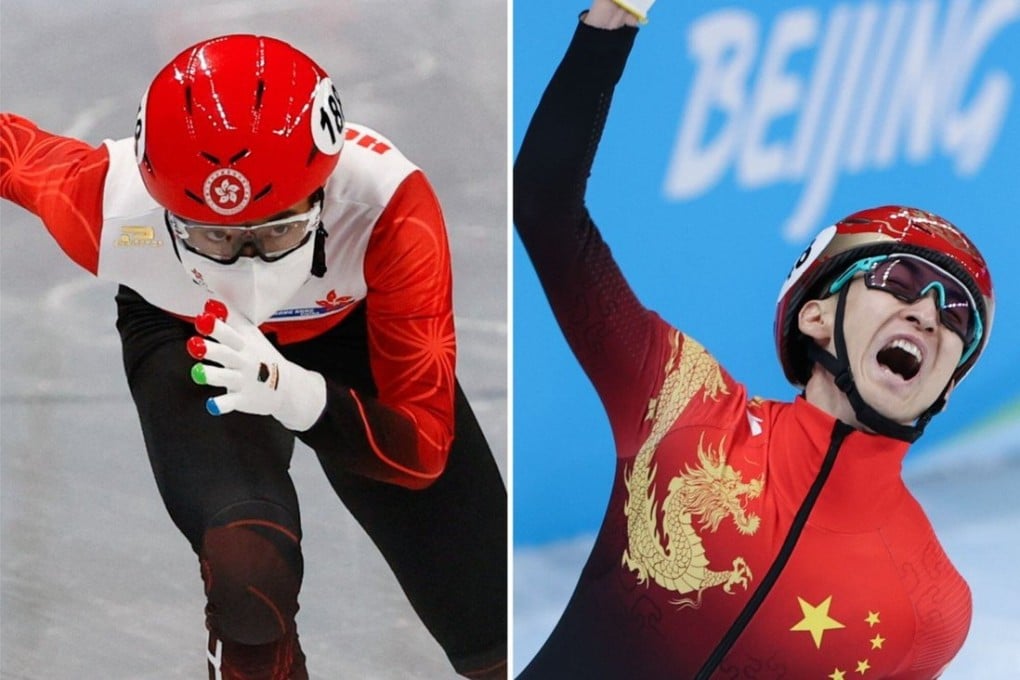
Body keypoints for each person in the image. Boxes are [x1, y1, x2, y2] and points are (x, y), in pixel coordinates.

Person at [1, 34, 506, 680]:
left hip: (348, 330)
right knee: (249, 569)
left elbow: (422, 450)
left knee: (496, 632)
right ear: (163, 212)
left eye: (279, 230)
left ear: (325, 194)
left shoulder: (388, 211)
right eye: (212, 237)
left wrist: (298, 396)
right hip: (191, 334)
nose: (248, 268)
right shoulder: (106, 204)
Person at [513, 1, 994, 678]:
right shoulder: (682, 401)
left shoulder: (933, 607)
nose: (928, 315)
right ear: (815, 316)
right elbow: (543, 205)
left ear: (948, 383)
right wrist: (613, 18)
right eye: (900, 279)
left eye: (958, 317)